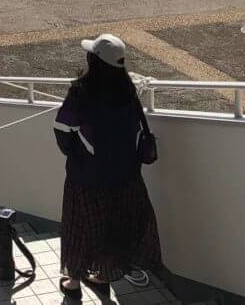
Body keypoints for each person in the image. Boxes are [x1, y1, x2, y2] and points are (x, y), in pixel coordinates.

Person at [53, 34, 163, 299]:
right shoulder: (128, 91)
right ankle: (103, 276)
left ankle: (74, 283)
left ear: (94, 60)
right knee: (115, 227)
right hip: (126, 177)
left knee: (80, 230)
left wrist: (78, 153)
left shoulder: (81, 92)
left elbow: (63, 131)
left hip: (87, 178)